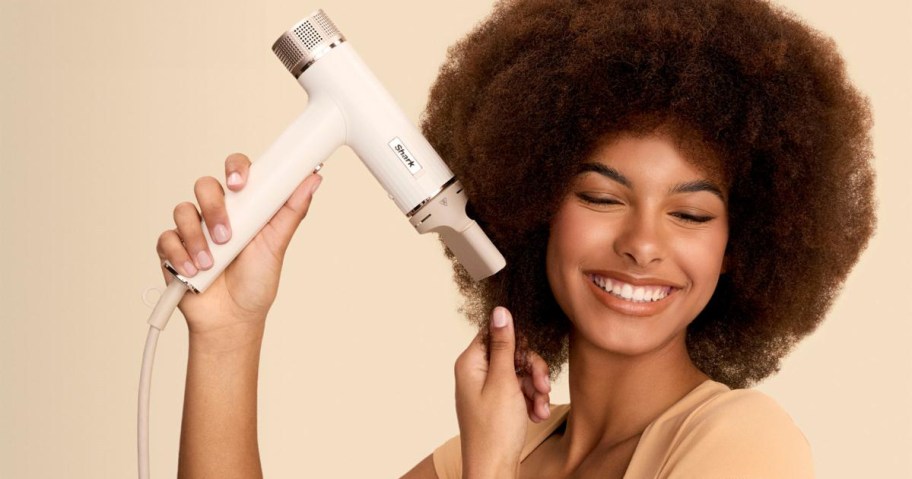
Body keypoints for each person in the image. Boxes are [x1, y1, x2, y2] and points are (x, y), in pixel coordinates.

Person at [156, 0, 875, 477]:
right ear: (536, 208)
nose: (643, 243)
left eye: (689, 214)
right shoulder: (490, 443)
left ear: (739, 243)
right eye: (600, 196)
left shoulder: (745, 445)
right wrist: (230, 331)